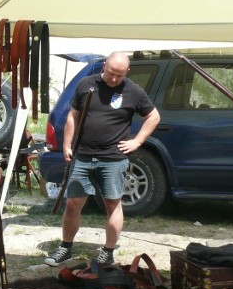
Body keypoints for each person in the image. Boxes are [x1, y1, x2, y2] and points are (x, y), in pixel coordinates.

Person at [45, 51, 160, 266]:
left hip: (113, 158)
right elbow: (73, 116)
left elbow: (154, 116)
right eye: (111, 72)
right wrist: (66, 144)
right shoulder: (86, 84)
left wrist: (137, 142)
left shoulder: (133, 91)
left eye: (119, 75)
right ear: (104, 66)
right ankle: (66, 247)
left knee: (112, 204)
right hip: (83, 155)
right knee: (73, 203)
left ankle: (107, 251)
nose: (114, 78)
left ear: (127, 72)